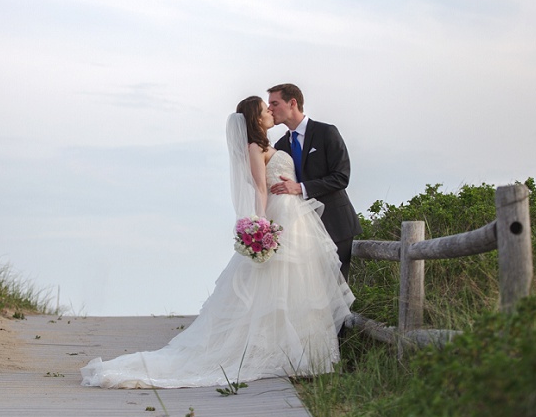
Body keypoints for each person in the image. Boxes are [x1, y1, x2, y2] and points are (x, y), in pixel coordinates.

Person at [79, 96, 354, 389]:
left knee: (299, 288)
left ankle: (307, 355)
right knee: (278, 288)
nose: (270, 111)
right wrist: (261, 226)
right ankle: (287, 354)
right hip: (280, 217)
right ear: (256, 118)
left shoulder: (275, 145)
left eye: (272, 106)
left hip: (295, 217)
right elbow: (260, 189)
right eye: (265, 109)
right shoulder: (255, 148)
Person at [267, 84, 362, 282]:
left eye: (275, 103)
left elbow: (341, 177)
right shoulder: (281, 146)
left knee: (337, 292)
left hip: (336, 224)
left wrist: (300, 188)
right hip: (302, 231)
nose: (270, 109)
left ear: (292, 103)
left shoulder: (326, 132)